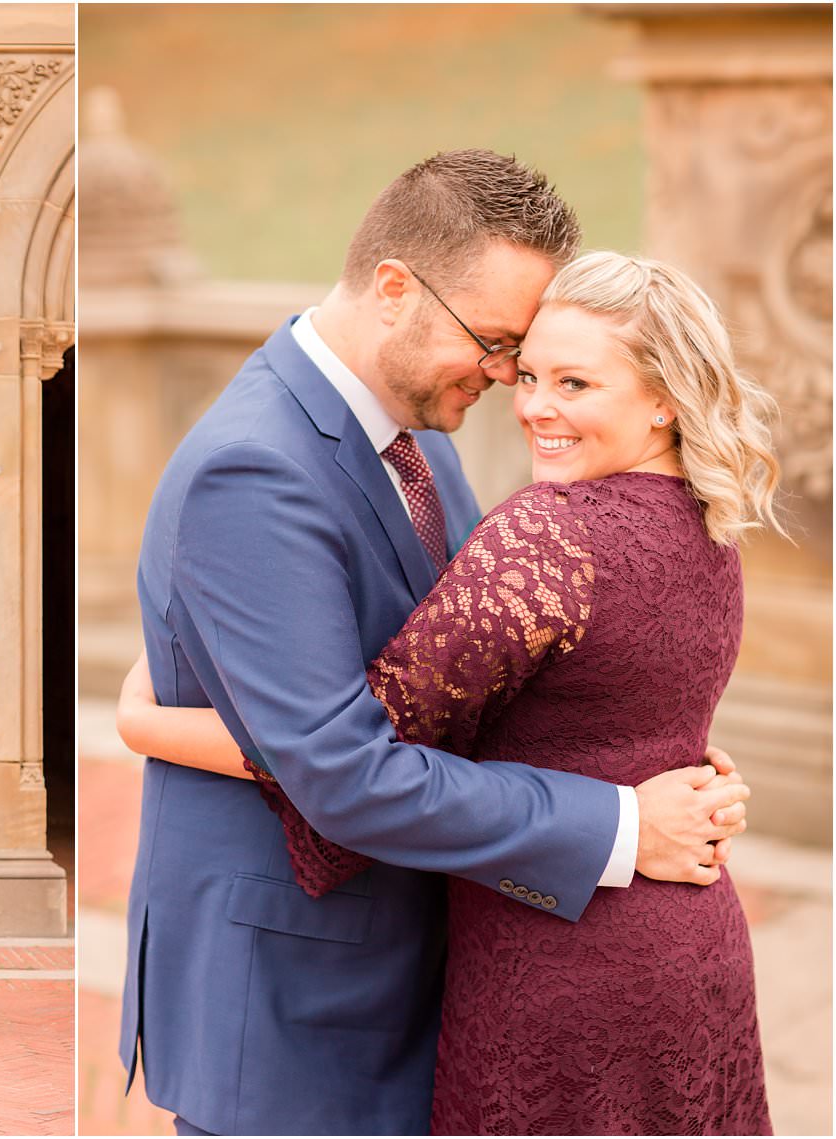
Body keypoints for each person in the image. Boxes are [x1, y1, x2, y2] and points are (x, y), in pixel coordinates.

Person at [117, 151, 750, 1137]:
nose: (508, 381)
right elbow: (338, 767)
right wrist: (622, 820)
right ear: (391, 289)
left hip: (446, 967)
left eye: (536, 360)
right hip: (298, 1004)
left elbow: (473, 689)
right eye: (498, 344)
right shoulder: (253, 466)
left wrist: (643, 747)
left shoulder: (425, 442)